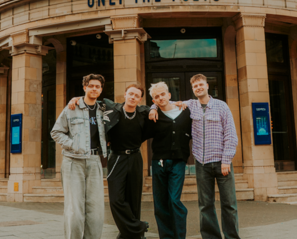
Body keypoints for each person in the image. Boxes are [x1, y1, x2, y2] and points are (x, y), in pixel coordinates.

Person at [150, 74, 240, 239]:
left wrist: (227, 160)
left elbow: (231, 135)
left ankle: (232, 237)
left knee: (229, 205)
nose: (198, 88)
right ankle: (211, 237)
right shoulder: (190, 105)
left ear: (207, 86)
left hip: (222, 163)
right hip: (202, 163)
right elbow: (164, 102)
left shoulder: (221, 106)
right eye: (195, 86)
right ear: (192, 89)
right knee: (205, 205)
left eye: (201, 84)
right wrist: (152, 108)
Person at [68, 84, 149, 239]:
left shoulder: (143, 112)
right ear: (125, 94)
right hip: (117, 157)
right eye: (130, 94)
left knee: (134, 198)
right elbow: (91, 102)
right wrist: (76, 98)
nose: (133, 97)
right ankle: (138, 227)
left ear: (140, 99)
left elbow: (155, 108)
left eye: (136, 96)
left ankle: (130, 234)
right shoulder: (111, 108)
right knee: (116, 199)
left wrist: (154, 109)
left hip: (135, 158)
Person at [50, 74, 108, 239]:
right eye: (91, 86)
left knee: (96, 210)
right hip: (72, 161)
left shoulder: (103, 109)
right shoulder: (71, 108)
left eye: (98, 86)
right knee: (75, 209)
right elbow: (56, 131)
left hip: (95, 160)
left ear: (101, 89)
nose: (94, 89)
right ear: (84, 87)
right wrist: (73, 144)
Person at [145, 82, 192, 239]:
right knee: (160, 203)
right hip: (158, 163)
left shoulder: (185, 112)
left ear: (169, 95)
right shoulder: (153, 116)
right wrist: (152, 109)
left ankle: (179, 236)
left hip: (178, 162)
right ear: (153, 100)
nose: (160, 98)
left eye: (162, 94)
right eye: (156, 97)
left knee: (174, 200)